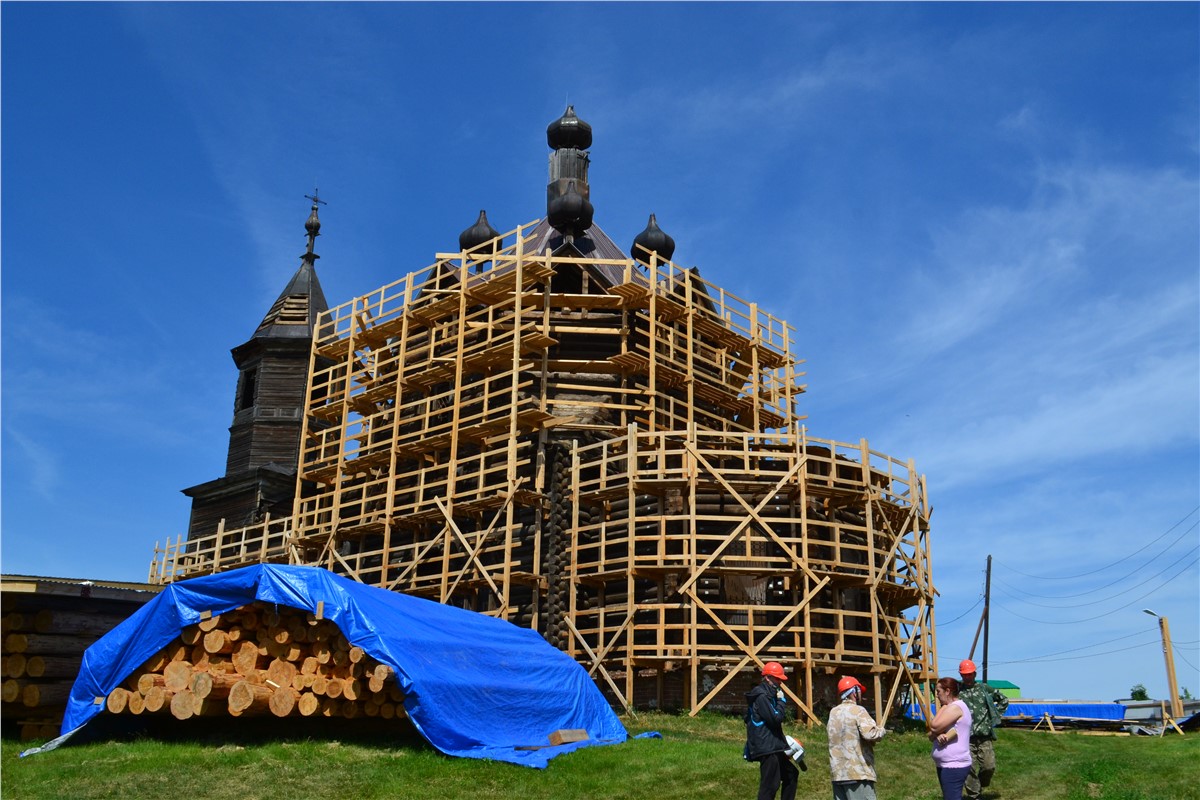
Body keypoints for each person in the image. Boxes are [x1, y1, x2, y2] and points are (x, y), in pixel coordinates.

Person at [744, 661, 805, 800]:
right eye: (778, 679)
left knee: (791, 775)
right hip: (767, 748)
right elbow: (776, 719)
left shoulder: (768, 695)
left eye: (781, 679)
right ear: (767, 677)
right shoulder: (761, 697)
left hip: (773, 746)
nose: (780, 682)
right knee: (770, 786)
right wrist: (782, 702)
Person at [827, 676, 887, 800]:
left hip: (838, 774)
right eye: (859, 691)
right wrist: (881, 731)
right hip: (858, 773)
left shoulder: (833, 712)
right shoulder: (858, 711)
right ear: (854, 692)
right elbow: (870, 734)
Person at [958, 659, 1009, 800]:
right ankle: (975, 795)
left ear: (974, 674)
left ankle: (979, 785)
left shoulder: (984, 689)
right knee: (968, 769)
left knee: (989, 767)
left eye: (969, 674)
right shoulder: (957, 691)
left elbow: (1003, 700)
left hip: (984, 736)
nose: (967, 677)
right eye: (964, 675)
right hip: (965, 738)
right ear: (961, 675)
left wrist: (994, 714)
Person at [927, 677, 973, 800]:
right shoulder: (951, 707)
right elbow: (930, 735)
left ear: (947, 691)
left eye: (938, 691)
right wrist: (937, 734)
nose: (936, 695)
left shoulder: (956, 707)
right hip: (946, 764)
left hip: (954, 765)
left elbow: (934, 725)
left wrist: (943, 707)